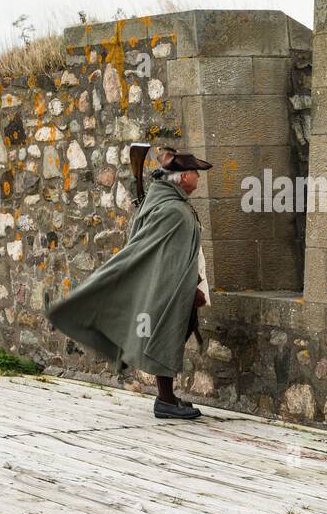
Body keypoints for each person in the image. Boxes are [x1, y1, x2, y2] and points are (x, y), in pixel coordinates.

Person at [47, 147, 211, 420]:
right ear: (182, 178)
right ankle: (165, 400)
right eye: (194, 173)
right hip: (166, 286)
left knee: (175, 333)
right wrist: (186, 284)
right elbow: (156, 251)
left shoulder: (170, 203)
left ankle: (167, 397)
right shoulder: (171, 209)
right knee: (165, 335)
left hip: (174, 283)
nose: (198, 178)